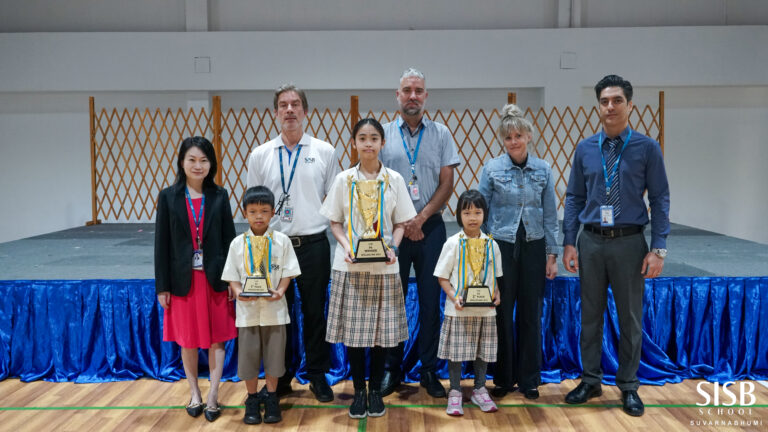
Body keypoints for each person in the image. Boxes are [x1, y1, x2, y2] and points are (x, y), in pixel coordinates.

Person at [562, 74, 670, 417]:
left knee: (630, 319)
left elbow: (660, 198)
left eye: (617, 100)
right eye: (605, 101)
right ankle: (590, 380)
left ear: (630, 105)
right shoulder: (585, 148)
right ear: (598, 106)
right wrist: (569, 242)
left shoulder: (647, 148)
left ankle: (628, 385)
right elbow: (574, 197)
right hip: (591, 242)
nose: (610, 106)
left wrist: (658, 248)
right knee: (590, 316)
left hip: (629, 243)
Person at [246, 84, 340, 402]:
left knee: (315, 313)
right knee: (278, 314)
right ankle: (281, 376)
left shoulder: (324, 151)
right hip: (275, 246)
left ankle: (317, 375)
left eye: (295, 104)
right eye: (283, 105)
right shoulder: (260, 154)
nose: (289, 110)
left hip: (314, 244)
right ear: (275, 112)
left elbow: (336, 202)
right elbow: (254, 204)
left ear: (305, 111)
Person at [320, 118, 416, 418]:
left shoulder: (394, 180)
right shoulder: (343, 180)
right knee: (354, 335)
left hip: (384, 267)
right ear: (354, 143)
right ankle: (358, 391)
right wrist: (347, 246)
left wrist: (393, 248)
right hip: (350, 267)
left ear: (382, 143)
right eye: (362, 138)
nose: (368, 143)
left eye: (374, 138)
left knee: (380, 334)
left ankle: (375, 391)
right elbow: (334, 222)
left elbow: (400, 223)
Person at [379, 67, 461, 398]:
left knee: (430, 302)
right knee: (392, 302)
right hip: (393, 231)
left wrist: (420, 218)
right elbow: (377, 182)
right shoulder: (382, 134)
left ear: (426, 96)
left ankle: (428, 370)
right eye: (407, 90)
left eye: (418, 91)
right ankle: (391, 369)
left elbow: (447, 183)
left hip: (432, 228)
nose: (412, 96)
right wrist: (404, 222)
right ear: (397, 95)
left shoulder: (441, 134)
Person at [477, 104, 559, 400]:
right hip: (501, 246)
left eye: (519, 136)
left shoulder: (543, 169)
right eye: (508, 137)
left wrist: (552, 254)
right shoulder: (492, 169)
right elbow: (479, 210)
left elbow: (550, 214)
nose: (514, 141)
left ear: (529, 136)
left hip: (534, 246)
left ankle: (529, 379)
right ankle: (502, 377)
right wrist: (484, 248)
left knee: (530, 313)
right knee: (501, 312)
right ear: (503, 139)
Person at [154, 136, 237, 422]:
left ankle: (213, 395)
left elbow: (230, 241)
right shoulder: (168, 197)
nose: (198, 165)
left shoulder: (220, 195)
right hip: (183, 282)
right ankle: (194, 394)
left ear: (211, 164)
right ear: (182, 162)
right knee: (187, 340)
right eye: (192, 159)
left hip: (214, 280)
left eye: (204, 160)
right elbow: (161, 245)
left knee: (217, 340)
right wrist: (162, 286)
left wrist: (232, 280)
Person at [221, 186, 301, 425]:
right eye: (253, 211)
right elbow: (232, 276)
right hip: (247, 313)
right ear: (244, 213)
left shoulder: (282, 241)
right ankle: (253, 398)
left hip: (275, 311)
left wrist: (281, 291)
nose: (259, 216)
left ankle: (273, 397)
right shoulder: (237, 244)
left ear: (273, 212)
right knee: (248, 359)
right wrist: (238, 292)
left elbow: (288, 272)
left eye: (264, 211)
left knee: (275, 358)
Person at [434, 190, 503, 416]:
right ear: (458, 215)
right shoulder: (452, 243)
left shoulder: (492, 244)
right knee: (456, 352)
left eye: (477, 212)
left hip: (485, 311)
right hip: (459, 310)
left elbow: (495, 277)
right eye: (467, 213)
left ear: (485, 214)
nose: (472, 217)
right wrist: (454, 297)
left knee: (483, 351)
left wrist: (497, 294)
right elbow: (442, 277)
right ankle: (454, 390)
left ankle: (480, 388)